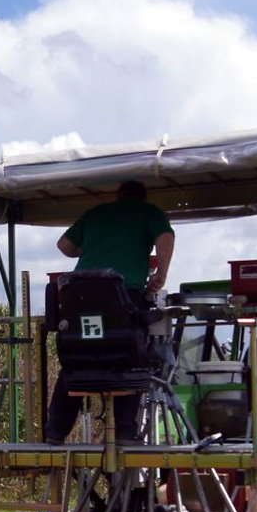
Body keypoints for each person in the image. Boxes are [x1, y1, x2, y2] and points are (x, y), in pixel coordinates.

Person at [45, 180, 175, 444]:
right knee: (133, 356)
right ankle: (124, 432)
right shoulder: (150, 212)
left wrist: (93, 246)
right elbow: (166, 238)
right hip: (121, 295)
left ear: (118, 196)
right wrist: (161, 274)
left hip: (80, 295)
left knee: (77, 358)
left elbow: (64, 246)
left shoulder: (96, 213)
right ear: (143, 197)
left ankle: (54, 432)